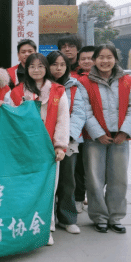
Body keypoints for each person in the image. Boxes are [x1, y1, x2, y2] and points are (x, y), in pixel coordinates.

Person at [78, 44, 131, 234]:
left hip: (120, 138)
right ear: (94, 60)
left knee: (119, 179)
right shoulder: (84, 82)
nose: (105, 61)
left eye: (109, 57)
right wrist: (98, 133)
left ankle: (115, 217)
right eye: (101, 57)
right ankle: (99, 217)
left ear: (115, 59)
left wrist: (124, 132)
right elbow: (85, 110)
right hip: (95, 139)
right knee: (94, 179)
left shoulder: (128, 81)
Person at [8, 53, 70, 246]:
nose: (36, 70)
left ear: (46, 68)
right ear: (26, 69)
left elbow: (63, 120)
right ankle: (25, 227)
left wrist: (60, 145)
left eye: (40, 66)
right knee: (26, 190)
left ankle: (46, 229)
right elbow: (11, 120)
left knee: (48, 190)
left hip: (49, 150)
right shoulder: (17, 92)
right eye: (32, 66)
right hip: (25, 150)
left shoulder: (58, 91)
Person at [47, 50, 86, 235]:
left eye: (62, 65)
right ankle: (48, 219)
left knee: (67, 180)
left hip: (69, 142)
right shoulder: (43, 86)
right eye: (54, 64)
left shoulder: (74, 86)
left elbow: (79, 113)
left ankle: (67, 218)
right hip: (45, 141)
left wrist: (66, 137)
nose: (58, 68)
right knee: (47, 182)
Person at [73, 45, 96, 212]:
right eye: (83, 59)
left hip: (101, 133)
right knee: (80, 168)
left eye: (90, 58)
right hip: (82, 132)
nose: (87, 61)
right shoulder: (75, 80)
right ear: (78, 61)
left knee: (97, 170)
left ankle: (95, 198)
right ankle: (79, 198)